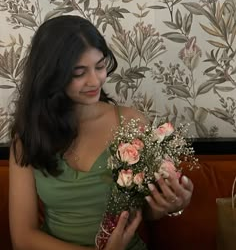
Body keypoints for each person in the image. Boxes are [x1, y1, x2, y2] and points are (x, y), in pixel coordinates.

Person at [9, 15, 193, 250]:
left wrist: (170, 203)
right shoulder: (27, 139)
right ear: (51, 74)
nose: (95, 80)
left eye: (99, 66)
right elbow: (23, 238)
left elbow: (146, 213)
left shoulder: (131, 122)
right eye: (79, 72)